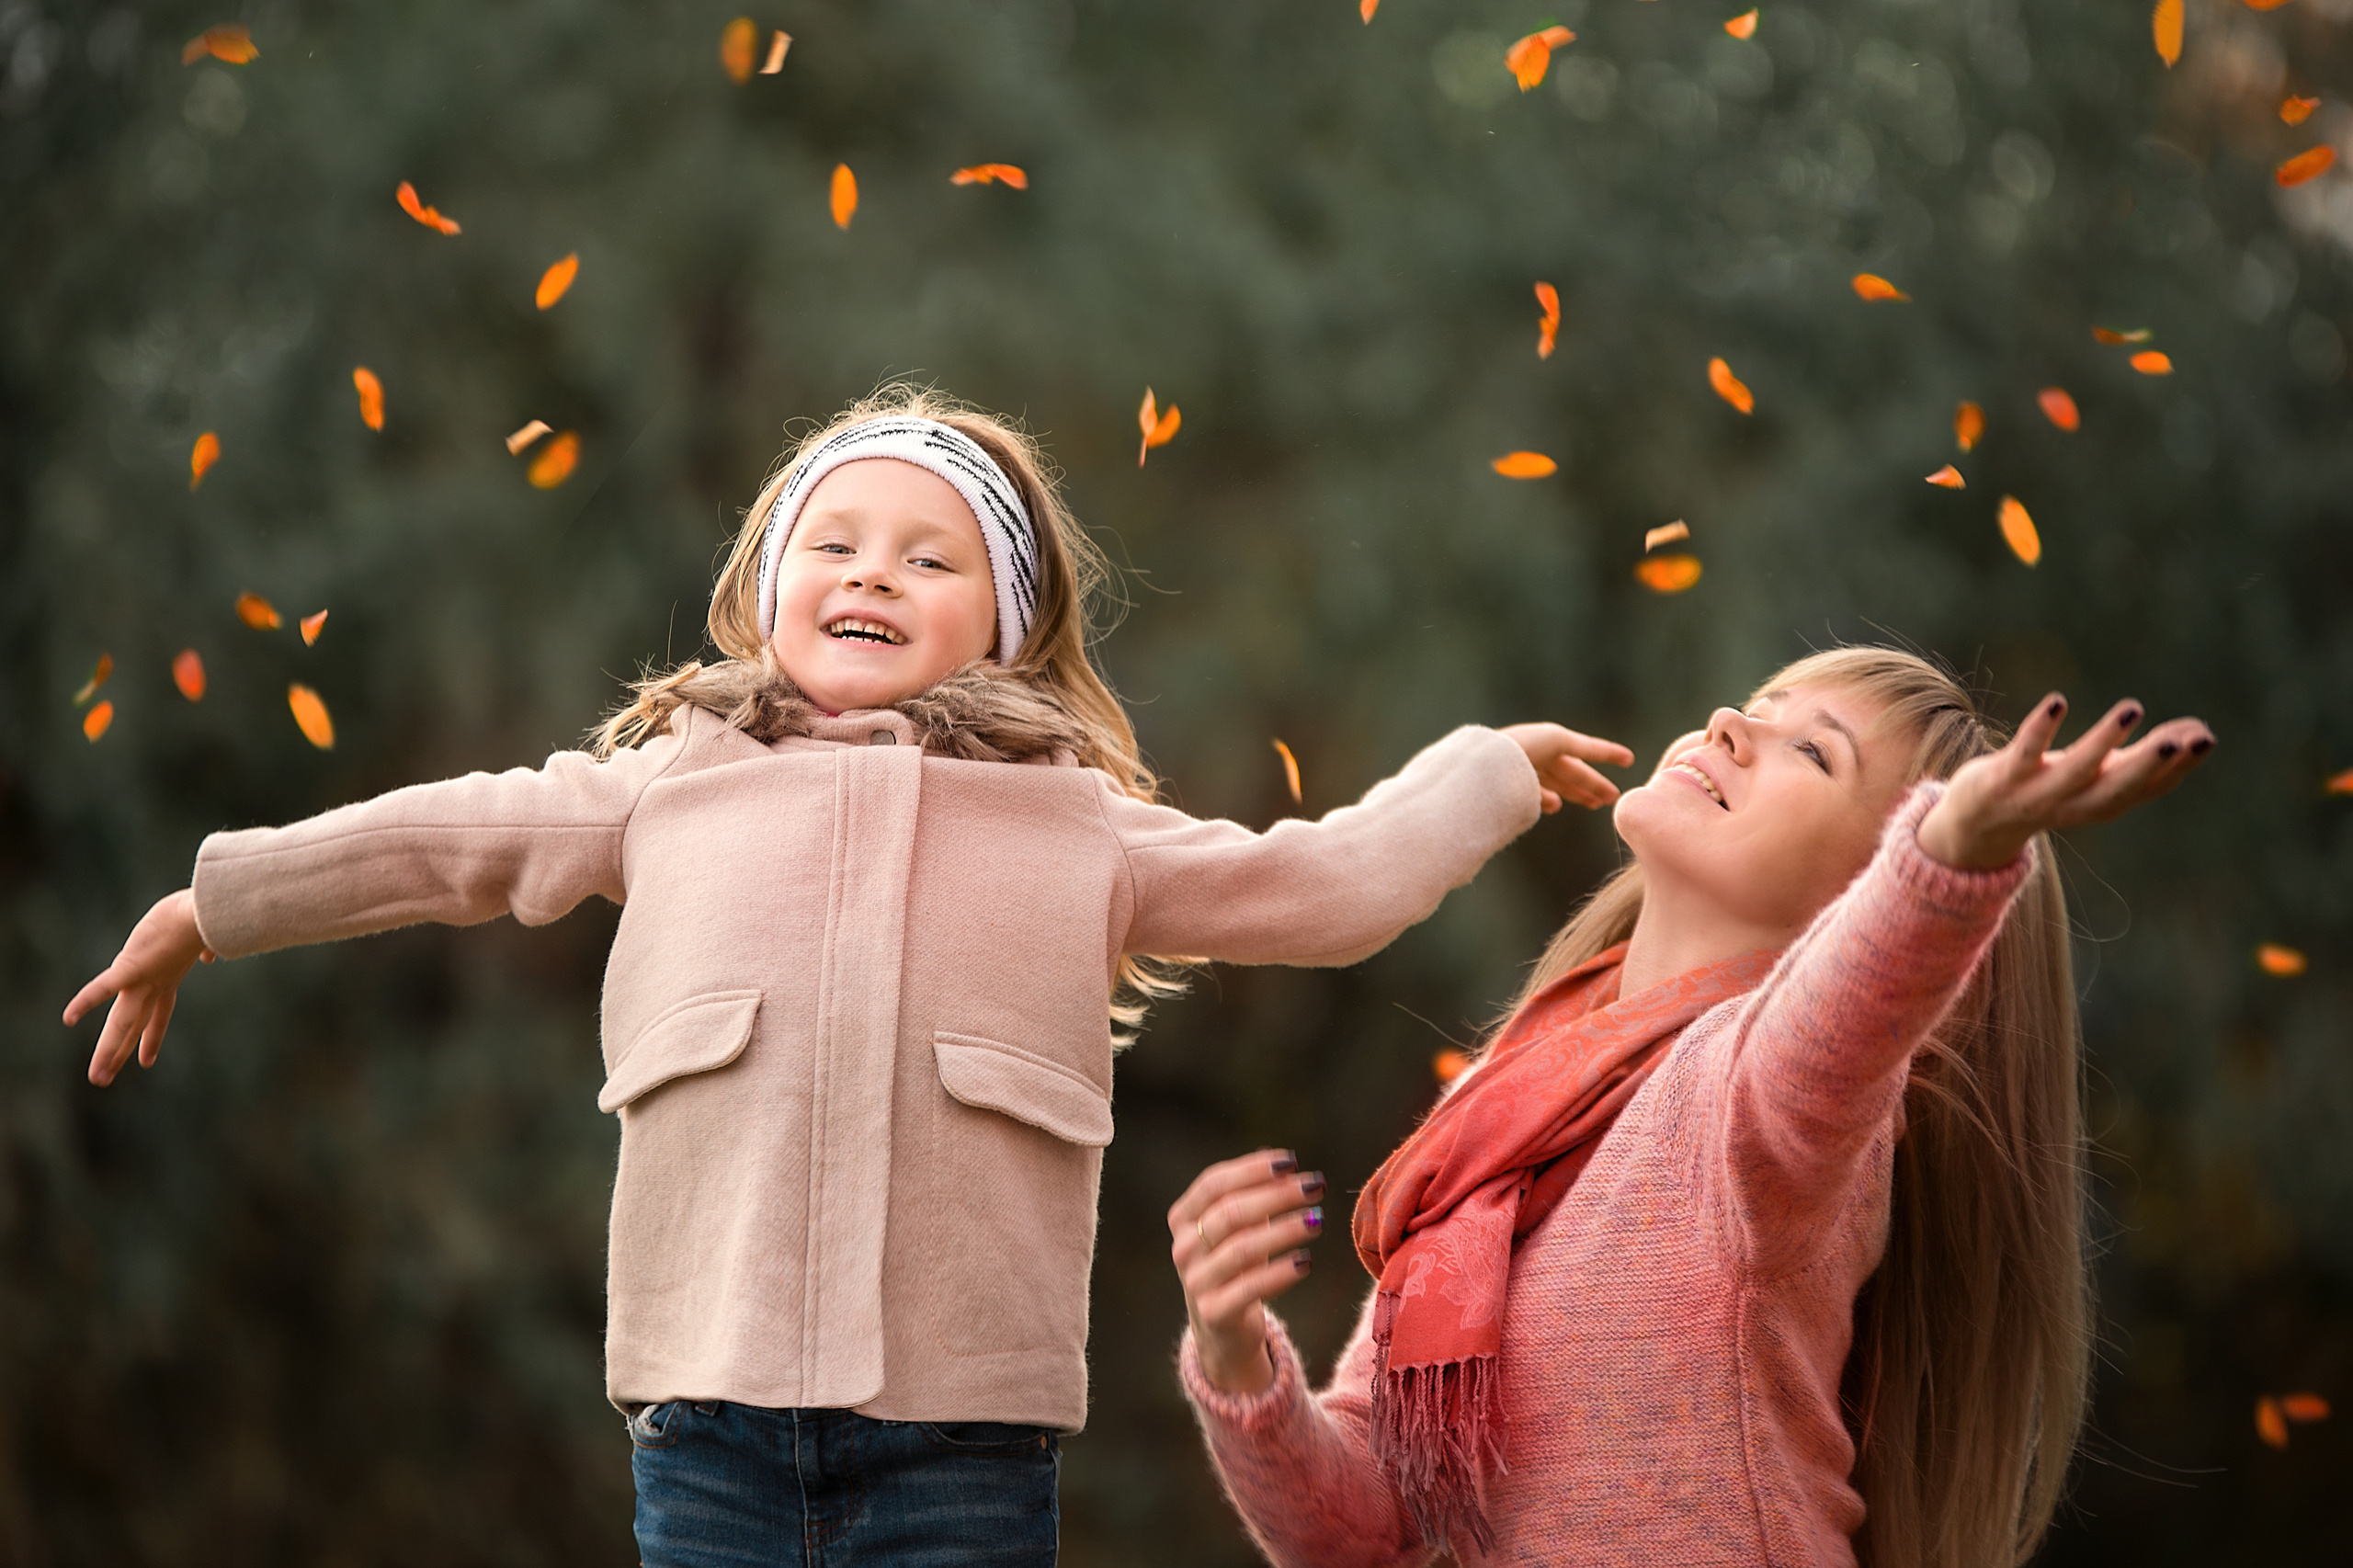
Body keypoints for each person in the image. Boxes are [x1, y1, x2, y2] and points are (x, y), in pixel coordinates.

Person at [63, 384, 1634, 1568]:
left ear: (1006, 629)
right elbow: (443, 840)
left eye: (932, 557)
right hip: (707, 1415)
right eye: (835, 541)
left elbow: (1330, 884)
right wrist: (217, 901)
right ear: (767, 586)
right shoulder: (671, 782)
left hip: (964, 1441)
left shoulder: (1079, 825)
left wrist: (1485, 772)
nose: (872, 573)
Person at [1167, 647, 2215, 1568]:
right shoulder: (1509, 1103)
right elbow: (1362, 1527)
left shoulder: (1769, 1109)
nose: (1732, 723)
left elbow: (1843, 1016)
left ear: (1865, 884)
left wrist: (1950, 856)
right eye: (1758, 701)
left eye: (1814, 752)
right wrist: (1234, 1355)